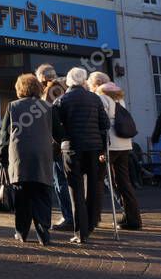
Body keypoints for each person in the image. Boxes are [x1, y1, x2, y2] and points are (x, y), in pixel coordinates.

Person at [0, 74, 64, 246]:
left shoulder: (13, 106)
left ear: (19, 89)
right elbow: (59, 134)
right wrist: (56, 152)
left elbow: (4, 136)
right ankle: (43, 231)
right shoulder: (47, 107)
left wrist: (2, 158)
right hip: (42, 156)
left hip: (20, 157)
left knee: (22, 195)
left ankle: (22, 232)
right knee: (42, 193)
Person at [53, 67, 109, 244]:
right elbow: (105, 124)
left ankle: (81, 232)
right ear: (84, 81)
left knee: (75, 189)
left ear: (69, 81)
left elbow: (55, 128)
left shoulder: (61, 100)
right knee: (93, 186)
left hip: (72, 149)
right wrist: (102, 149)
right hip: (94, 148)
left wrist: (63, 139)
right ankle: (91, 224)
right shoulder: (95, 98)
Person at [96, 82, 142, 229]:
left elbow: (101, 124)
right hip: (125, 145)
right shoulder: (120, 101)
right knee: (124, 182)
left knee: (100, 180)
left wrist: (101, 148)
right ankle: (133, 219)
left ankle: (93, 217)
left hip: (111, 146)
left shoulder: (103, 99)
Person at [35, 64, 73, 230]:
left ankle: (68, 217)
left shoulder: (51, 92)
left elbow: (49, 121)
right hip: (74, 140)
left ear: (43, 78)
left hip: (58, 144)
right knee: (73, 180)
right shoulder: (68, 87)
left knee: (61, 181)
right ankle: (77, 215)